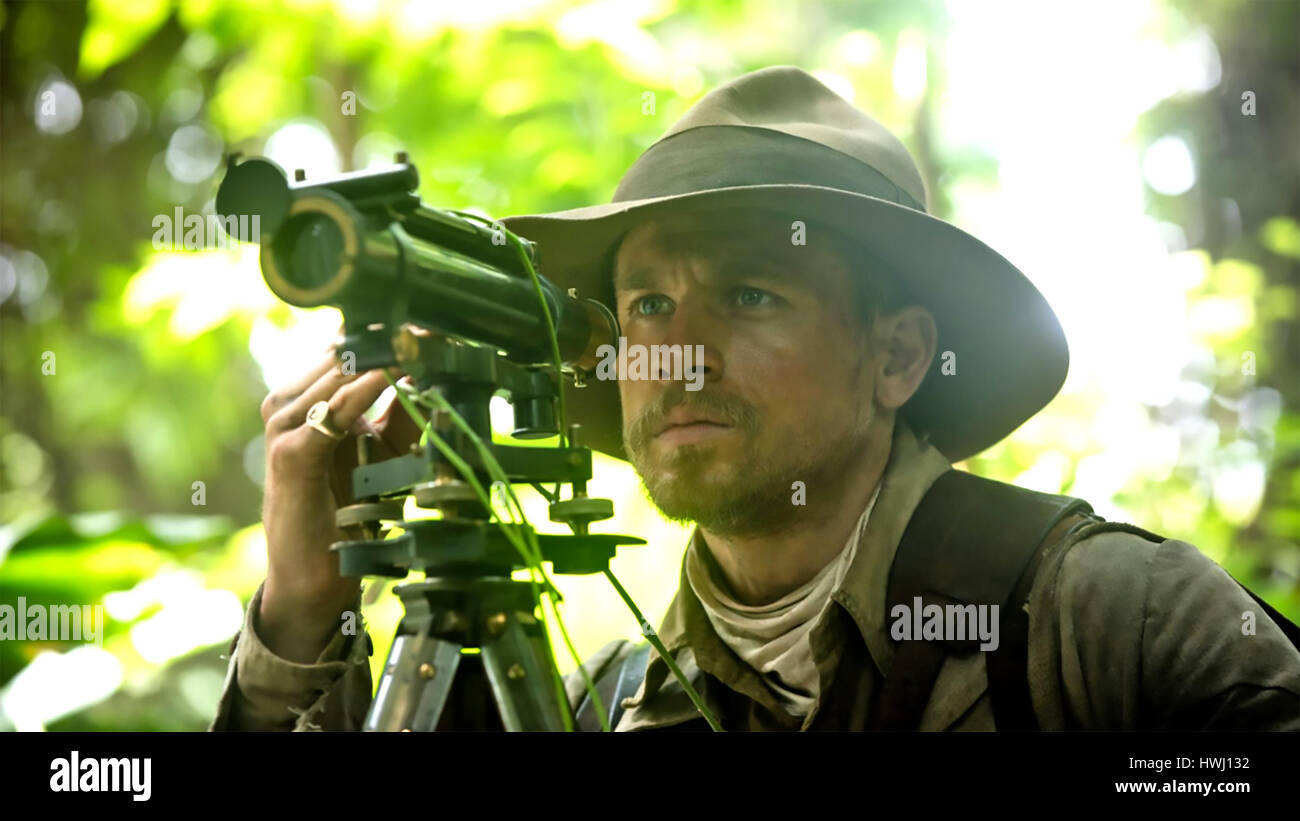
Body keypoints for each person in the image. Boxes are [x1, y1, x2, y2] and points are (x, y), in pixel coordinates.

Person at [210, 66, 1300, 732]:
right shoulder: (610, 699)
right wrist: (304, 612)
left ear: (898, 356)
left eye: (747, 292)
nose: (675, 354)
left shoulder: (1107, 623)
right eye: (643, 305)